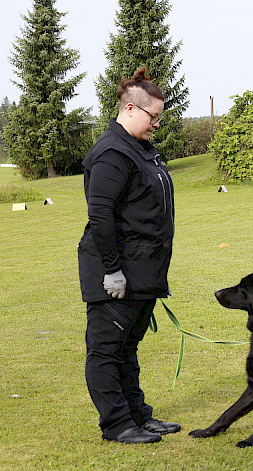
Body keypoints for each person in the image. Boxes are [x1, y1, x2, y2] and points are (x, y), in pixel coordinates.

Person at [77, 66, 180, 444]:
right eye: (154, 117)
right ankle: (117, 424)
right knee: (106, 349)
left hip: (143, 268)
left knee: (128, 348)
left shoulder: (142, 150)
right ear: (132, 109)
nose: (157, 124)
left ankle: (138, 415)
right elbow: (100, 214)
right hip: (115, 271)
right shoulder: (111, 154)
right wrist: (112, 270)